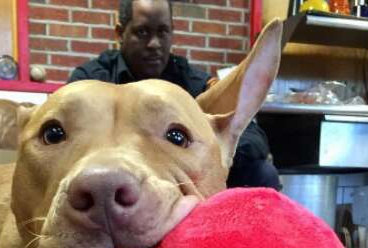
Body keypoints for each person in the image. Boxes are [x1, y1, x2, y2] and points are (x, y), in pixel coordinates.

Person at [68, 0, 280, 190]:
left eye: (162, 32)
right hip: (107, 180)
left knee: (261, 172)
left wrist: (201, 150)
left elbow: (253, 138)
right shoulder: (90, 80)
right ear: (120, 33)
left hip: (177, 182)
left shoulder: (192, 81)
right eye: (142, 32)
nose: (154, 44)